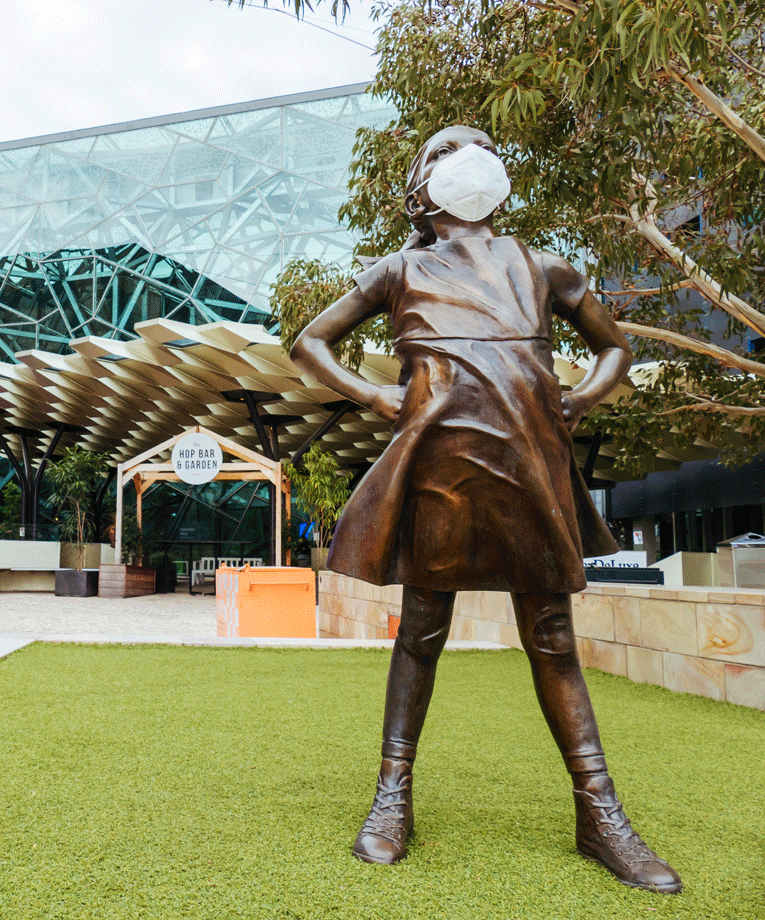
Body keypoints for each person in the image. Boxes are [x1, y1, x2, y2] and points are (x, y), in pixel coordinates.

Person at [290, 126, 680, 893]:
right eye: (447, 150)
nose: (469, 155)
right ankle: (392, 798)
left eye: (479, 146)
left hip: (531, 469)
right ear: (420, 191)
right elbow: (311, 341)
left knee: (553, 638)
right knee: (421, 632)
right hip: (439, 473)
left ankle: (599, 814)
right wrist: (377, 396)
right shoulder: (400, 270)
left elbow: (615, 348)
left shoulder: (542, 267)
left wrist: (578, 401)